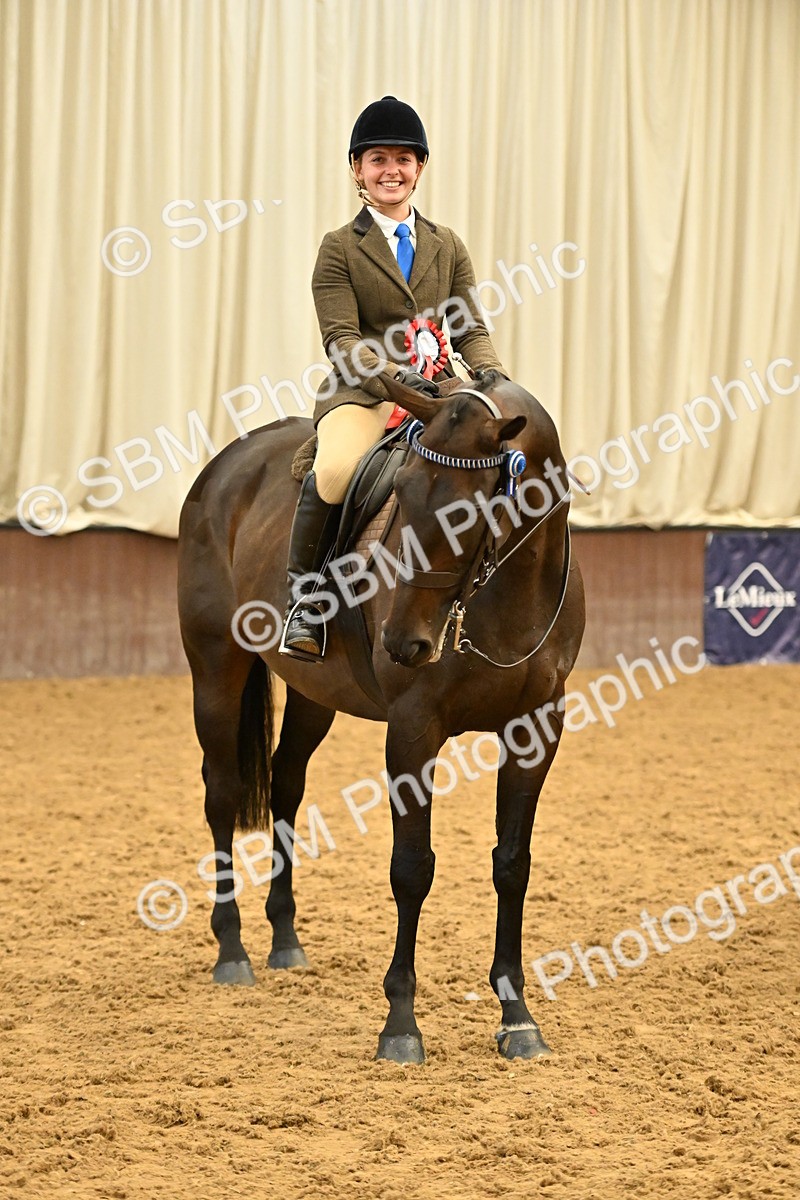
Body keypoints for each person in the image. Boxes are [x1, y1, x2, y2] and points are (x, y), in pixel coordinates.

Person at [281, 95, 508, 660]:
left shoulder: (447, 244)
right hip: (365, 395)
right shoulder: (339, 248)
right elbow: (342, 340)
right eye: (378, 159)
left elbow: (469, 328)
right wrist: (398, 377)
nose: (392, 171)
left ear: (420, 169)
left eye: (404, 159)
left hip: (442, 393)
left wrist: (493, 378)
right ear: (358, 169)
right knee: (334, 471)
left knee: (499, 462)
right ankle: (305, 601)